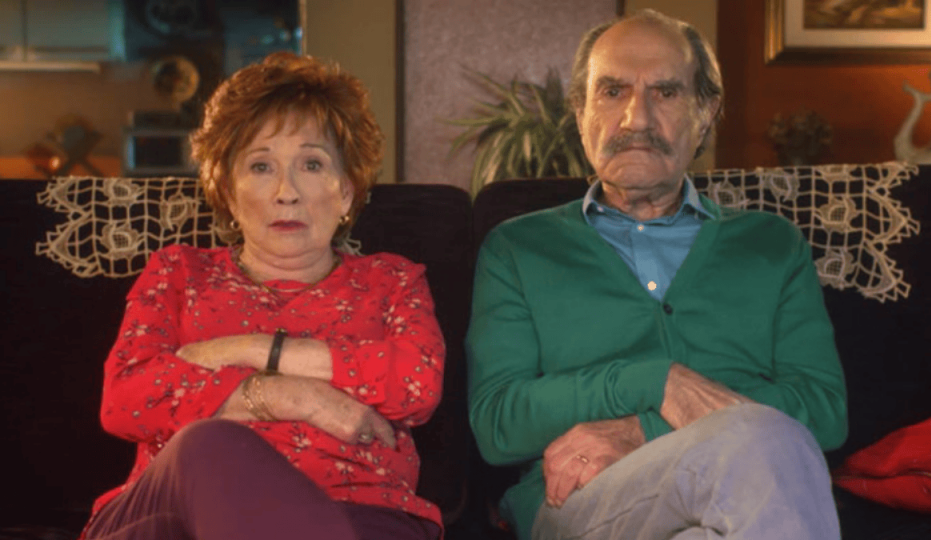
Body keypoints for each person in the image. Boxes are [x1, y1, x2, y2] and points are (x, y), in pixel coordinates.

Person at [466, 10, 847, 540]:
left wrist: (643, 428)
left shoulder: (771, 244)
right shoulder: (518, 249)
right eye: (612, 91)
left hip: (747, 498)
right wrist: (656, 381)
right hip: (582, 499)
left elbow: (824, 412)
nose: (636, 119)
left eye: (665, 92)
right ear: (580, 112)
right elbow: (498, 422)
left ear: (705, 113)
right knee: (767, 437)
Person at [81, 52, 444, 540]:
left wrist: (247, 350)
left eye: (311, 164)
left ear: (346, 192)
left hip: (357, 511)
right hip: (172, 511)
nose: (285, 192)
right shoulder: (180, 271)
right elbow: (126, 398)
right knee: (208, 446)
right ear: (228, 192)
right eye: (260, 166)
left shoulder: (392, 280)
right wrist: (293, 396)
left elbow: (416, 385)